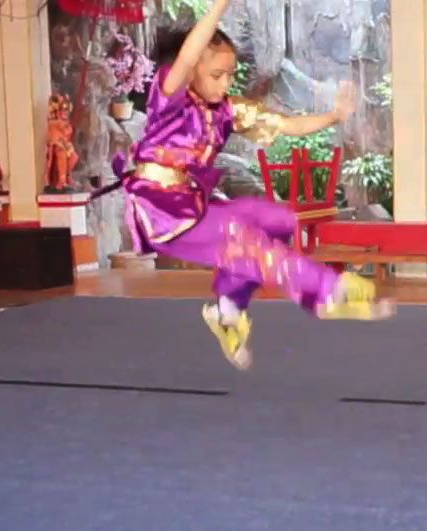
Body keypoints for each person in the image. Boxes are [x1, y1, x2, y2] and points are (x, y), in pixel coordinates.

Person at [112, 0, 393, 370]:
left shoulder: (227, 109)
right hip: (163, 210)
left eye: (230, 75)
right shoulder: (171, 99)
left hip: (194, 202)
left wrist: (334, 116)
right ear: (192, 69)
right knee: (244, 240)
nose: (226, 83)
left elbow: (286, 125)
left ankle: (228, 313)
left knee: (277, 220)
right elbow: (189, 53)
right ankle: (328, 290)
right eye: (217, 75)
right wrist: (219, 7)